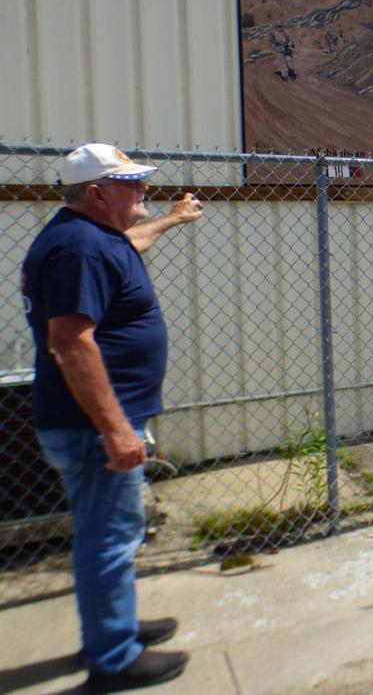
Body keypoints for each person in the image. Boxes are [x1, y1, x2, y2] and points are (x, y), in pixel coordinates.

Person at [22, 144, 203, 691]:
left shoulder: (94, 239)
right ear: (98, 194)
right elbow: (72, 343)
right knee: (109, 538)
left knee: (115, 532)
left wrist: (172, 219)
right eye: (132, 183)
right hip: (92, 429)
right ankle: (113, 658)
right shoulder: (78, 249)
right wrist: (117, 429)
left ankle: (115, 626)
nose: (145, 189)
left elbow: (130, 247)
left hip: (97, 423)